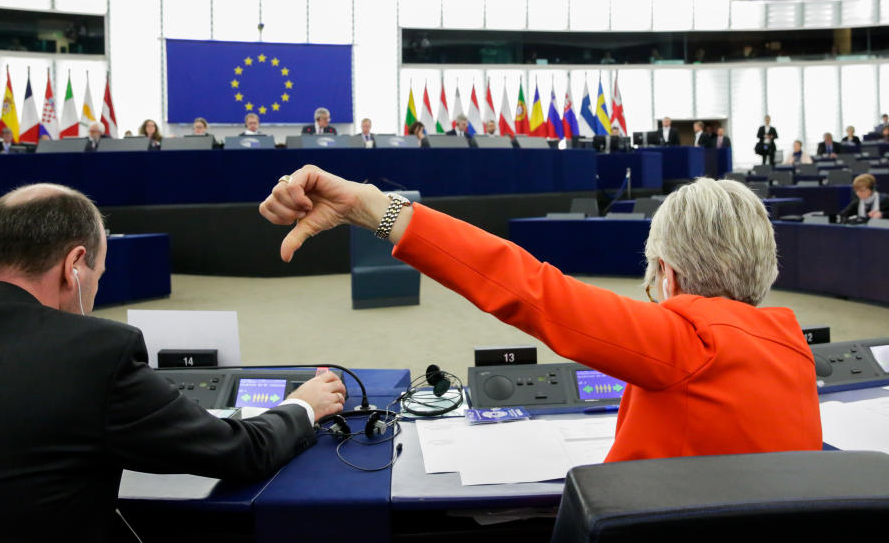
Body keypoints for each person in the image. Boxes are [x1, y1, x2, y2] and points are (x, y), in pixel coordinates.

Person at [260, 167, 822, 464]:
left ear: (668, 274)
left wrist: (367, 206)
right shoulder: (794, 350)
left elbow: (526, 287)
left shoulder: (688, 344)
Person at [0, 183, 346, 540]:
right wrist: (306, 404)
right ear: (74, 266)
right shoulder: (94, 353)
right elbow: (239, 452)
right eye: (99, 275)